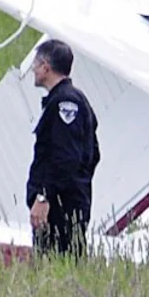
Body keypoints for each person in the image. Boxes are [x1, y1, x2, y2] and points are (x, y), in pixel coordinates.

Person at [26, 39, 101, 258]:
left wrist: (44, 196)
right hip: (66, 201)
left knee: (57, 263)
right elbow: (93, 154)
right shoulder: (70, 100)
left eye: (36, 64)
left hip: (60, 208)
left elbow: (65, 157)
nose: (33, 70)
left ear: (46, 67)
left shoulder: (65, 103)